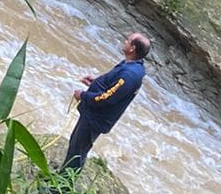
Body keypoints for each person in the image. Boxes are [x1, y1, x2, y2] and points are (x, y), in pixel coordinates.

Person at [57, 31, 151, 174]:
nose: (124, 41)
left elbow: (107, 98)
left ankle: (60, 190)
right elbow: (113, 88)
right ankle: (60, 180)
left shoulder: (130, 74)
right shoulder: (131, 65)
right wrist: (94, 83)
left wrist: (83, 95)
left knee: (77, 152)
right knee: (75, 145)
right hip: (93, 114)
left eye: (128, 40)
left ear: (132, 48)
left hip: (96, 118)